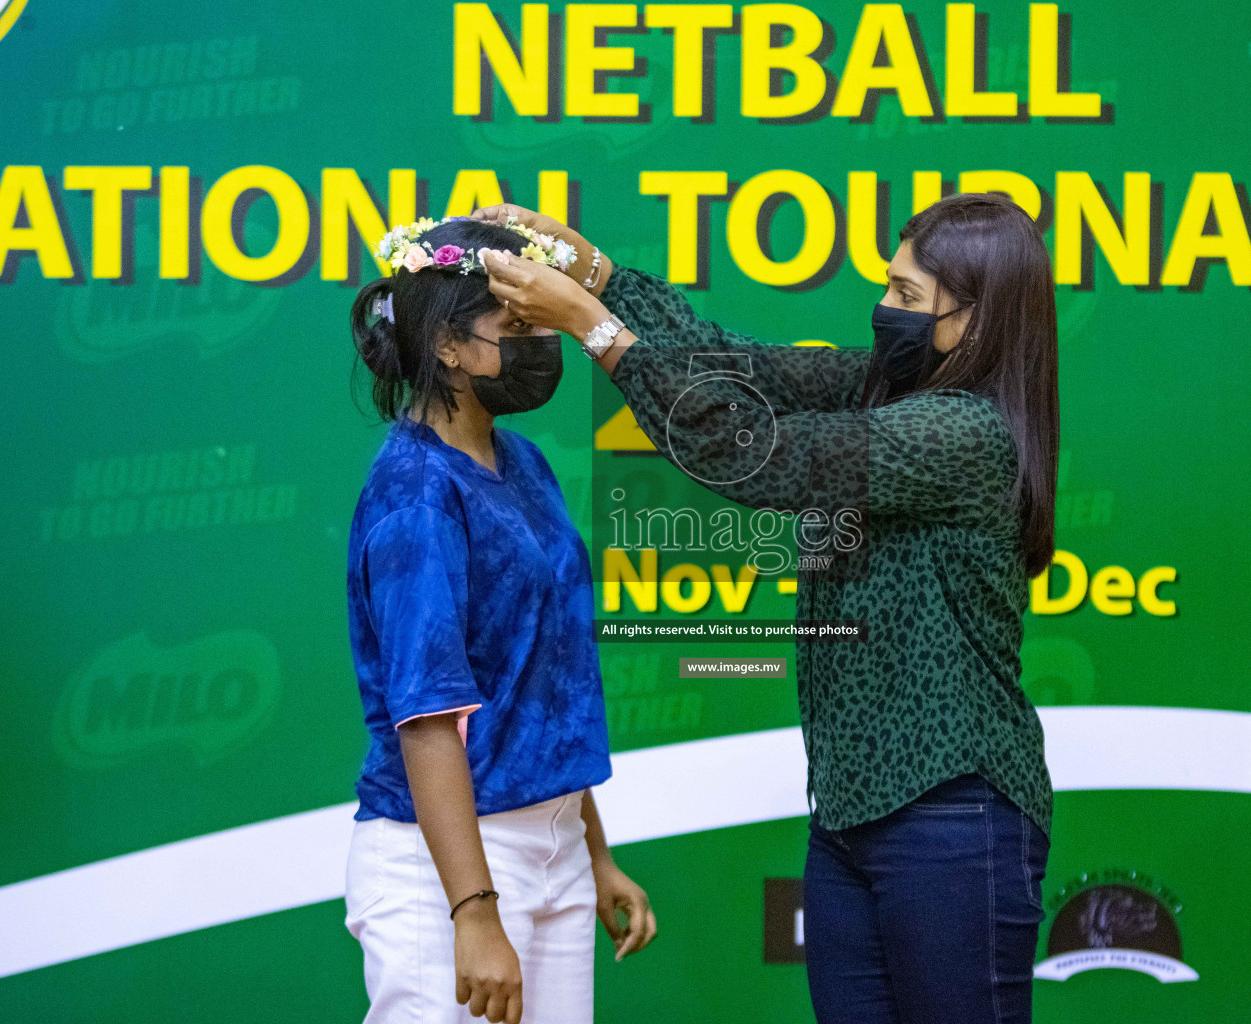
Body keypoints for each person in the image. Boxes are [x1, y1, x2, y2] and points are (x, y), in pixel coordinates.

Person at [471, 192, 1059, 1024]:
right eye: (887, 286)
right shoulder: (876, 385)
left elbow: (754, 456)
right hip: (849, 822)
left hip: (951, 816)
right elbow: (725, 364)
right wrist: (597, 274)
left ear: (975, 320)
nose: (881, 309)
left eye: (905, 296)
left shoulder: (963, 435)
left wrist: (594, 329)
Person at [343, 215, 656, 1024]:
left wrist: (593, 852)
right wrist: (474, 914)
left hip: (553, 853)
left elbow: (538, 683)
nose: (537, 343)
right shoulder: (415, 494)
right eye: (513, 327)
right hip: (442, 873)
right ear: (447, 345)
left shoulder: (522, 461)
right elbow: (426, 719)